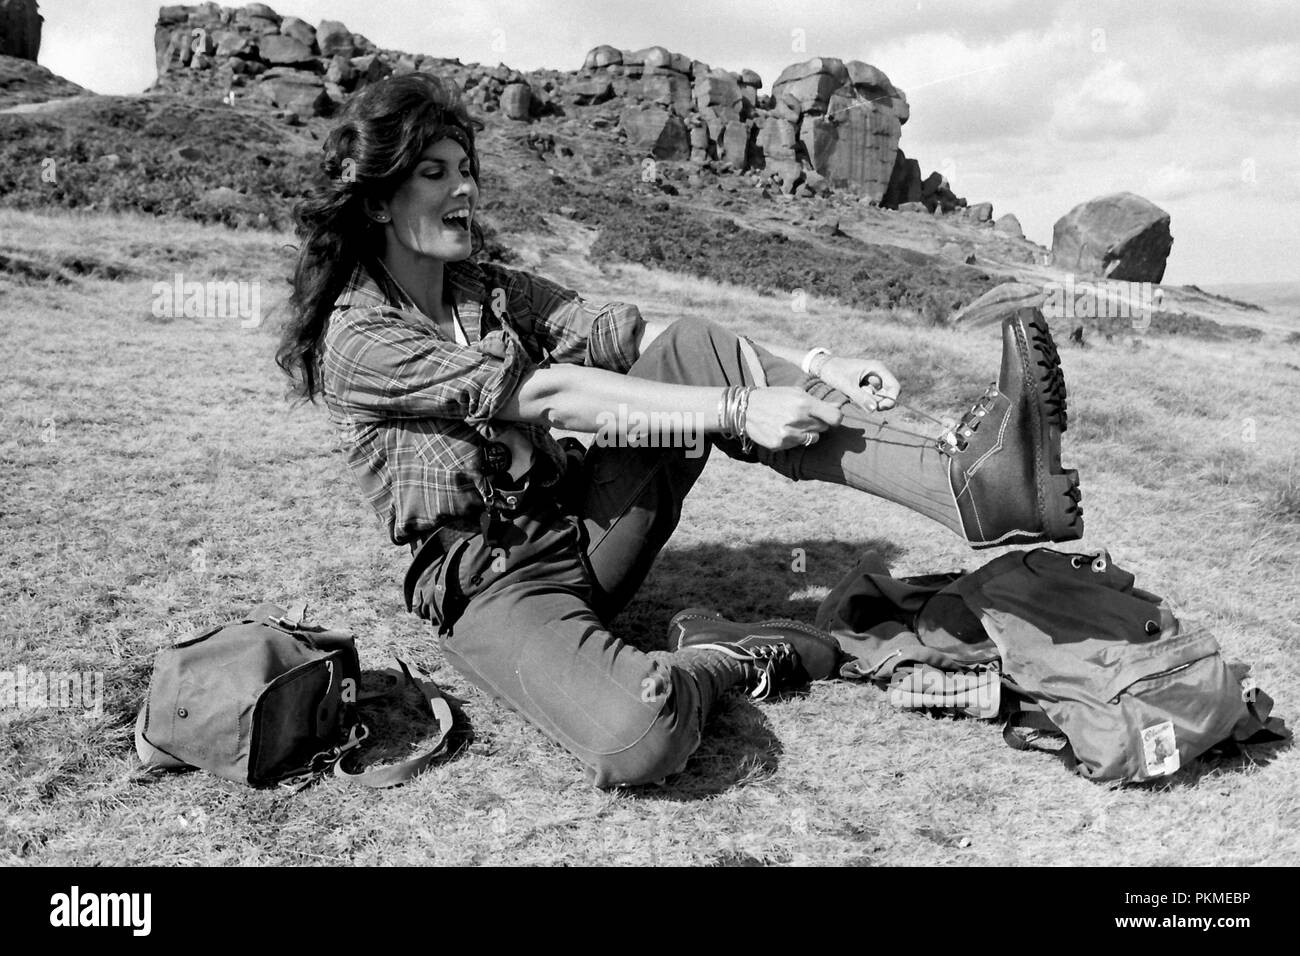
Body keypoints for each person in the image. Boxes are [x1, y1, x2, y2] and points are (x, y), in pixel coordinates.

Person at [277, 74, 1083, 788]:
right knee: (642, 738)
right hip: (493, 584)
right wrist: (734, 411)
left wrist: (810, 360)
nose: (464, 192)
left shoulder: (487, 290)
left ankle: (966, 484)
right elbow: (550, 395)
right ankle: (717, 653)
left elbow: (635, 336)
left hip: (581, 524)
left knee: (693, 343)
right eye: (434, 174)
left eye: (466, 171)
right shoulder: (359, 334)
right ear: (380, 198)